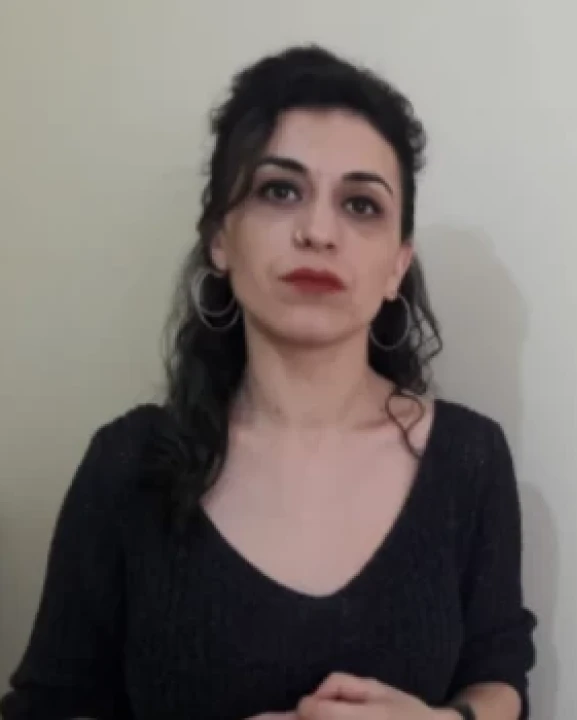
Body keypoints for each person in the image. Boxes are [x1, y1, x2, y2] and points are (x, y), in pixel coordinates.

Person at [0, 45, 536, 720]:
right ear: (221, 238)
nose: (318, 231)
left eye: (361, 204)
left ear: (398, 265)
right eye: (280, 191)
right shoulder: (129, 464)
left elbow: (500, 678)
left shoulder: (469, 458)